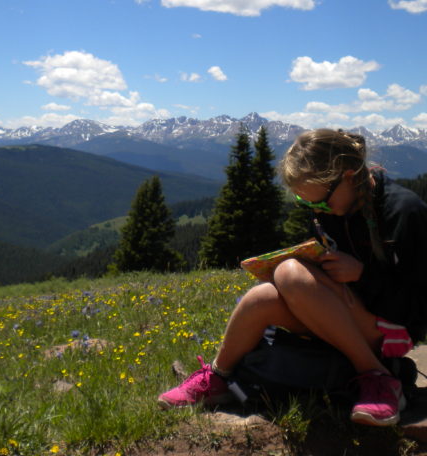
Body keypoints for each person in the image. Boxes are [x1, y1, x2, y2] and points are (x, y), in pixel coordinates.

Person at [158, 128, 427, 426]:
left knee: (289, 273)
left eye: (321, 202)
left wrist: (362, 274)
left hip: (391, 328)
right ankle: (219, 376)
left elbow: (417, 302)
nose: (318, 211)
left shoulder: (403, 211)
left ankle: (377, 377)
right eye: (307, 204)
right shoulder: (330, 209)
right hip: (343, 313)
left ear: (349, 176)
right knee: (262, 297)